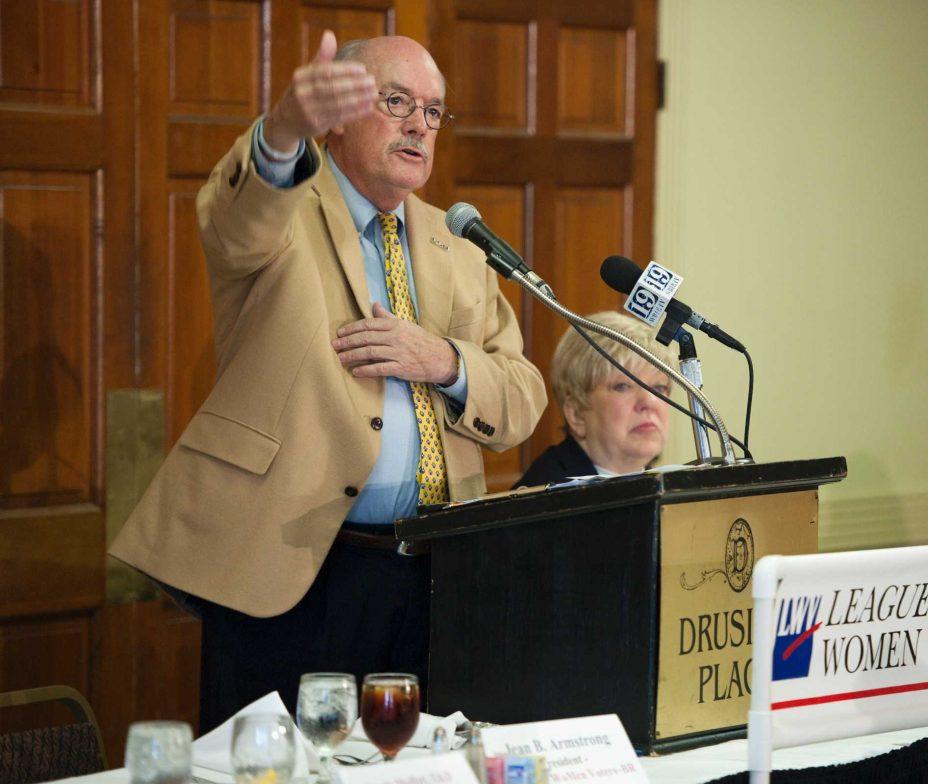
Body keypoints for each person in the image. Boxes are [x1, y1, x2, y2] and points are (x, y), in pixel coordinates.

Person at [109, 31, 546, 732]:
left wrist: (446, 362)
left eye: (433, 112)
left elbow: (522, 394)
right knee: (280, 782)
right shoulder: (284, 212)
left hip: (433, 575)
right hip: (296, 571)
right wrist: (283, 131)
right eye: (396, 101)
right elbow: (236, 220)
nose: (418, 126)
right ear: (337, 115)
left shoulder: (457, 244)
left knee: (412, 775)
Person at [514, 311, 675, 487]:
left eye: (659, 388)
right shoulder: (544, 496)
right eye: (623, 386)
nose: (649, 401)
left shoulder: (673, 488)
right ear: (576, 414)